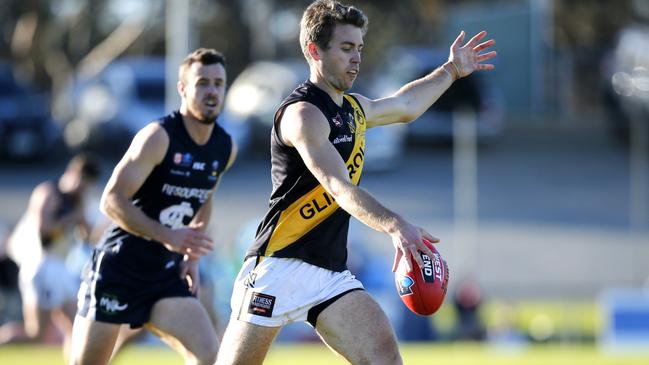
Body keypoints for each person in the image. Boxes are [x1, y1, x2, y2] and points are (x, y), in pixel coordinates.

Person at [216, 1, 496, 364]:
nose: (356, 58)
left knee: (385, 357)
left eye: (359, 48)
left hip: (329, 274)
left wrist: (452, 70)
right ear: (314, 50)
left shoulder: (354, 110)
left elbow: (405, 105)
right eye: (346, 48)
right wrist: (394, 225)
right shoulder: (302, 115)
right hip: (276, 268)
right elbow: (339, 188)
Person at [69, 48, 237, 365]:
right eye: (202, 83)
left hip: (164, 272)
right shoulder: (158, 137)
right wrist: (167, 236)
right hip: (119, 266)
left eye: (218, 83)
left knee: (210, 355)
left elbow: (205, 198)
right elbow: (111, 200)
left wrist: (191, 257)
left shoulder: (224, 147)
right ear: (183, 88)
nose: (212, 91)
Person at [0, 154, 100, 359]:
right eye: (82, 182)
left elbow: (87, 238)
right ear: (73, 174)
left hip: (60, 268)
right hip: (40, 265)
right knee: (36, 334)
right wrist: (73, 217)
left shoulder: (77, 201)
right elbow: (44, 231)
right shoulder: (49, 192)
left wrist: (81, 217)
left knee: (77, 327)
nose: (83, 188)